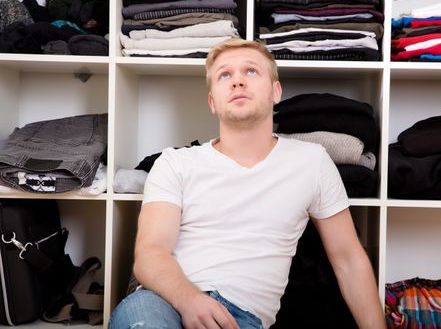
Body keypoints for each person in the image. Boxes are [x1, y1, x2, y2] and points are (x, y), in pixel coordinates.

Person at [109, 38, 386, 329]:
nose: (237, 81)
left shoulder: (312, 162)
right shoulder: (174, 163)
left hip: (241, 318)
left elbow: (349, 260)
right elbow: (150, 253)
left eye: (251, 71)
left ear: (275, 91)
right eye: (224, 75)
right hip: (162, 301)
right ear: (212, 101)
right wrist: (190, 300)